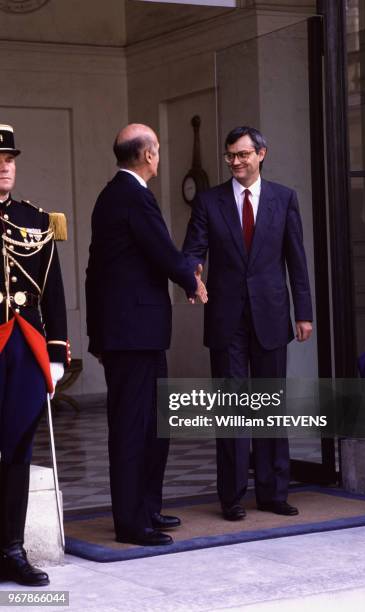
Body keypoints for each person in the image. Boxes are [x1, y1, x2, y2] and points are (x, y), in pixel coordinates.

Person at [85, 123, 207, 546]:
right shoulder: (133, 196)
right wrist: (192, 281)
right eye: (157, 149)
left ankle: (147, 509)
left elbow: (94, 271)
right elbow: (161, 250)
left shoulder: (112, 195)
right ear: (148, 155)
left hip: (135, 334)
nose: (158, 155)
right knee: (134, 427)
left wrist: (95, 335)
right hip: (132, 335)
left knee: (155, 425)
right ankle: (132, 524)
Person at [183, 126, 313, 521]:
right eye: (230, 156)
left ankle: (274, 493)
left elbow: (296, 259)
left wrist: (303, 312)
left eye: (242, 155)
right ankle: (233, 497)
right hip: (226, 320)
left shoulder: (284, 199)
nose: (236, 162)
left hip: (272, 316)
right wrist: (194, 275)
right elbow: (193, 249)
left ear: (261, 155)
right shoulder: (209, 201)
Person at [0, 124, 69, 585]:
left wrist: (59, 351)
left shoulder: (35, 220)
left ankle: (11, 548)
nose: (4, 166)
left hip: (23, 346)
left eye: (9, 159)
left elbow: (54, 293)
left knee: (18, 449)